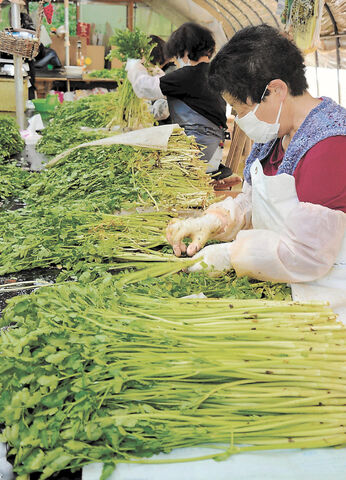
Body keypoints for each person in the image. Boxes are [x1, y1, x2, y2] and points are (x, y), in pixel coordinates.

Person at [166, 24, 346, 321]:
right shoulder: (277, 134)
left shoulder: (330, 147)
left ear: (275, 91)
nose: (237, 119)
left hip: (326, 303)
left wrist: (230, 255)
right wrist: (215, 220)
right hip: (284, 285)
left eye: (239, 108)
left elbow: (307, 256)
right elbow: (254, 200)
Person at [126, 22, 239, 183]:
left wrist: (133, 64)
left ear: (185, 51)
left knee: (141, 169)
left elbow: (144, 88)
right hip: (212, 153)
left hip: (197, 158)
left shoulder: (187, 75)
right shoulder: (212, 72)